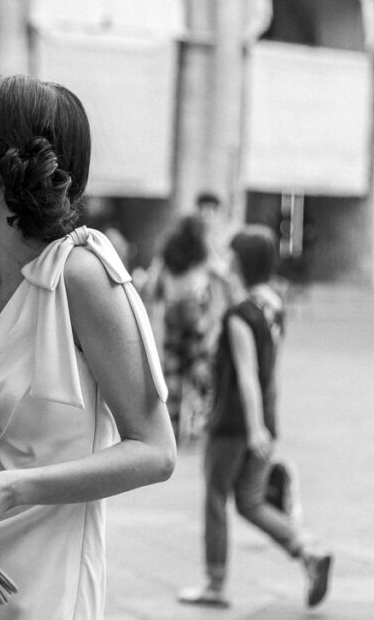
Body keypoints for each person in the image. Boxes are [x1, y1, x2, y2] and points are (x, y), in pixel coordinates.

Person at [0, 75, 177, 619]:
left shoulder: (80, 275)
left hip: (47, 592)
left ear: (14, 166)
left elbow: (155, 452)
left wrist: (12, 490)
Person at [178, 226, 332, 610]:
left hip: (234, 423)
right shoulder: (273, 306)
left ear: (241, 263)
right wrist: (265, 424)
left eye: (233, 258)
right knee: (249, 501)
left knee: (216, 498)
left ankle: (214, 584)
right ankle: (307, 550)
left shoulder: (238, 316)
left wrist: (254, 428)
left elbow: (245, 375)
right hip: (263, 419)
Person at [151, 215, 221, 444]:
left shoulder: (168, 254)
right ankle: (198, 426)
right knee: (200, 372)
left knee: (173, 374)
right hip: (195, 320)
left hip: (173, 319)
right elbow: (223, 273)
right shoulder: (201, 254)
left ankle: (173, 427)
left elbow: (153, 286)